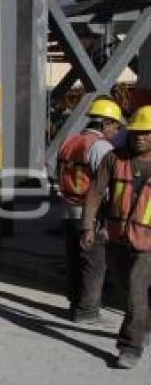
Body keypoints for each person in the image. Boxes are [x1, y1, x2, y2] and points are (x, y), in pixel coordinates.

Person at [82, 105, 151, 369]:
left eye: (145, 133)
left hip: (148, 242)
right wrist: (88, 226)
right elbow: (95, 193)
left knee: (135, 289)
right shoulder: (114, 158)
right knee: (126, 290)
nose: (139, 137)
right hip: (117, 236)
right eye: (135, 133)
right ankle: (143, 326)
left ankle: (130, 347)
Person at [56, 97, 124, 323]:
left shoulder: (70, 141)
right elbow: (105, 186)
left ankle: (75, 305)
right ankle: (87, 312)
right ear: (105, 124)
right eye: (115, 125)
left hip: (68, 211)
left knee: (74, 260)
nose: (117, 130)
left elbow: (58, 172)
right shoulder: (102, 148)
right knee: (94, 264)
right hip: (89, 215)